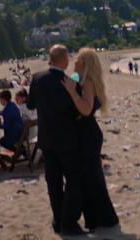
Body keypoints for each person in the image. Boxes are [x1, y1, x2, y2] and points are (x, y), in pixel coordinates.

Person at [28, 45, 87, 235]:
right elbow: (77, 109)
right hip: (67, 138)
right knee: (73, 181)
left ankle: (58, 219)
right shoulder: (68, 82)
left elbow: (30, 104)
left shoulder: (37, 79)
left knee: (53, 182)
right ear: (64, 60)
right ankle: (69, 222)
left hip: (46, 138)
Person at [61, 48, 119, 231]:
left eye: (78, 59)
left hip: (87, 134)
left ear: (85, 63)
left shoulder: (88, 82)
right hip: (86, 133)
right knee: (90, 176)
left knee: (91, 177)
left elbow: (86, 110)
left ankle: (102, 218)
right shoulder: (81, 79)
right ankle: (97, 218)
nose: (74, 61)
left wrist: (72, 92)